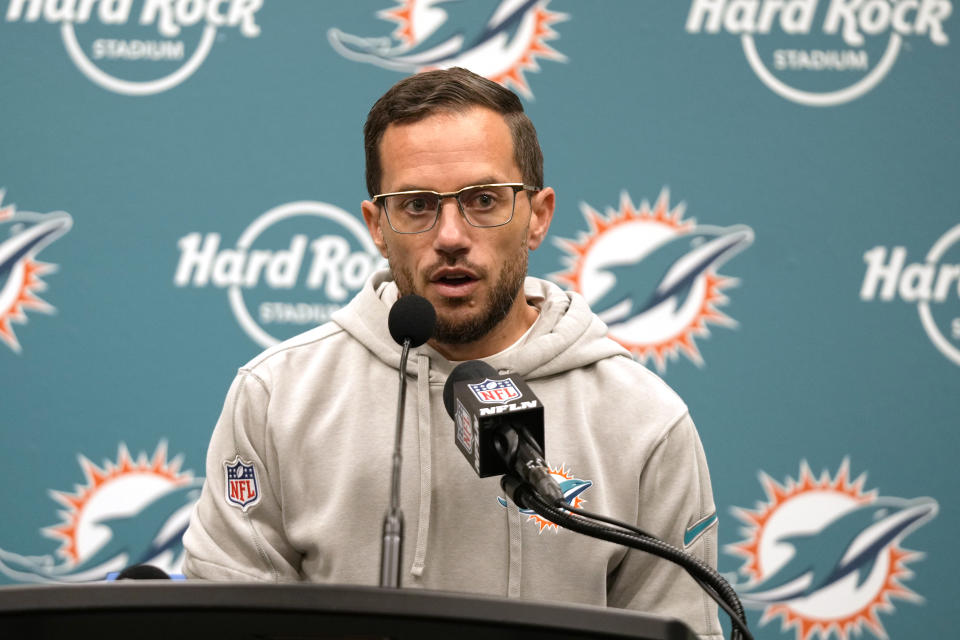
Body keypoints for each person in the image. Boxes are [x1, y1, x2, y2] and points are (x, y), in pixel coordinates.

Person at [183, 67, 722, 639]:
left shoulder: (643, 421)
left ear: (537, 216)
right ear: (377, 226)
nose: (450, 235)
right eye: (416, 205)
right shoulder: (278, 397)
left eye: (483, 200)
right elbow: (228, 619)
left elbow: (679, 627)